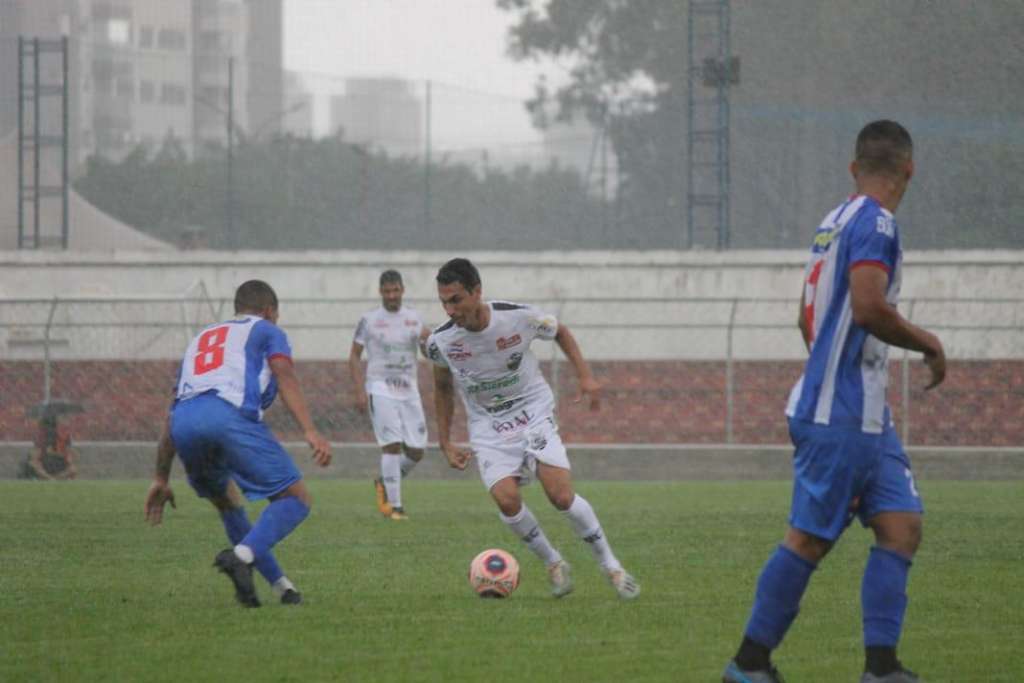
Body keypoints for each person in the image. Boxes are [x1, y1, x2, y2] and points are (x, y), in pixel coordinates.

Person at [722, 121, 946, 683]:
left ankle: (881, 668)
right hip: (841, 412)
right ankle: (748, 665)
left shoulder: (833, 221)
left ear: (854, 167)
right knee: (810, 538)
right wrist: (930, 344)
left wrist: (835, 365)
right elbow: (869, 307)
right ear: (910, 170)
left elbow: (806, 315)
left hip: (865, 412)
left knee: (901, 525)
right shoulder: (878, 223)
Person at [427, 257, 639, 600]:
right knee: (506, 500)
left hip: (532, 412)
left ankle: (612, 567)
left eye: (455, 300)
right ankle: (554, 563)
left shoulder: (517, 317)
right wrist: (444, 441)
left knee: (560, 495)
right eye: (443, 302)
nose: (449, 310)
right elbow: (441, 387)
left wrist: (586, 377)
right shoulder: (441, 342)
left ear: (476, 292)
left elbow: (561, 332)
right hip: (488, 426)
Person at [143, 280, 332, 608]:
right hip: (227, 415)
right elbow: (284, 373)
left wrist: (161, 477)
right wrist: (310, 430)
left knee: (228, 501)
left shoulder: (201, 338)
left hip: (184, 422)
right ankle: (241, 556)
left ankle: (282, 588)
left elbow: (172, 409)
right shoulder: (266, 329)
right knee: (296, 499)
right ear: (270, 311)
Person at [349, 269, 431, 521]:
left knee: (417, 450)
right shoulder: (370, 319)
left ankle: (384, 482)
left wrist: (433, 345)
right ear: (381, 292)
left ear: (402, 290)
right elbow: (354, 355)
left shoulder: (414, 319)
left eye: (395, 290)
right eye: (387, 291)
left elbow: (428, 350)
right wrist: (360, 390)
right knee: (391, 445)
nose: (392, 295)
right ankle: (395, 507)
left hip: (408, 391)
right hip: (380, 387)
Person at [19, 415, 78, 480]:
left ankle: (52, 478)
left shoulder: (63, 437)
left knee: (73, 469)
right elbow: (35, 456)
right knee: (34, 465)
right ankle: (51, 478)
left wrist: (67, 457)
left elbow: (69, 456)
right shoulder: (41, 438)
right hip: (45, 462)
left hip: (57, 464)